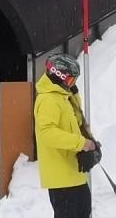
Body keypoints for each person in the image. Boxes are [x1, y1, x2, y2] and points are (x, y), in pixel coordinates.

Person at [33, 54, 98, 218]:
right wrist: (80, 143)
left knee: (84, 210)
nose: (72, 84)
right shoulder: (48, 100)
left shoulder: (64, 97)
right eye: (70, 80)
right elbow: (48, 133)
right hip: (61, 177)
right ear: (58, 75)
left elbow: (77, 123)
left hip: (74, 173)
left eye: (74, 81)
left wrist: (89, 144)